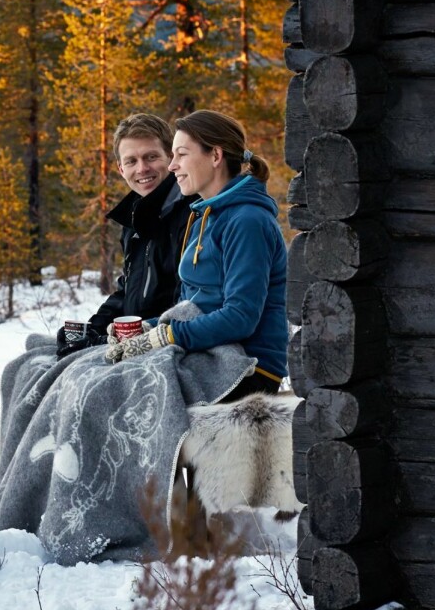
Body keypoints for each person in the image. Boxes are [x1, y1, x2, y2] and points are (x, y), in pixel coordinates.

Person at [121, 110, 288, 396]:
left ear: (215, 156)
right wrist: (145, 329)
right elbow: (194, 304)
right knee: (93, 370)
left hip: (247, 367)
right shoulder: (203, 218)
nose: (172, 166)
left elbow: (240, 317)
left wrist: (168, 336)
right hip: (210, 354)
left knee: (120, 387)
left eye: (181, 154)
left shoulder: (247, 220)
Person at [55, 112, 189, 357]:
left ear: (170, 158)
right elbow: (128, 291)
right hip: (135, 344)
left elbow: (191, 301)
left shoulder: (191, 212)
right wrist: (93, 329)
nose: (142, 168)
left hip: (174, 343)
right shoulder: (133, 220)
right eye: (131, 161)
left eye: (151, 157)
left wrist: (147, 334)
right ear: (120, 168)